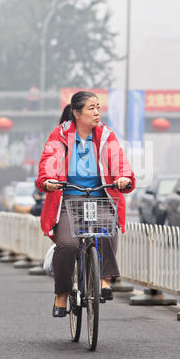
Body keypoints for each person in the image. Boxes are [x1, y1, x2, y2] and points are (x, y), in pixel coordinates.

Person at [36, 91, 135, 317]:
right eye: (91, 108)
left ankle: (104, 279)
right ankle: (61, 294)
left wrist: (123, 177)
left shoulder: (106, 136)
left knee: (107, 230)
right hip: (68, 198)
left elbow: (119, 161)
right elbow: (49, 162)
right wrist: (49, 180)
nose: (97, 112)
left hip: (100, 197)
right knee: (68, 246)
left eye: (98, 107)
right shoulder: (60, 135)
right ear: (77, 113)